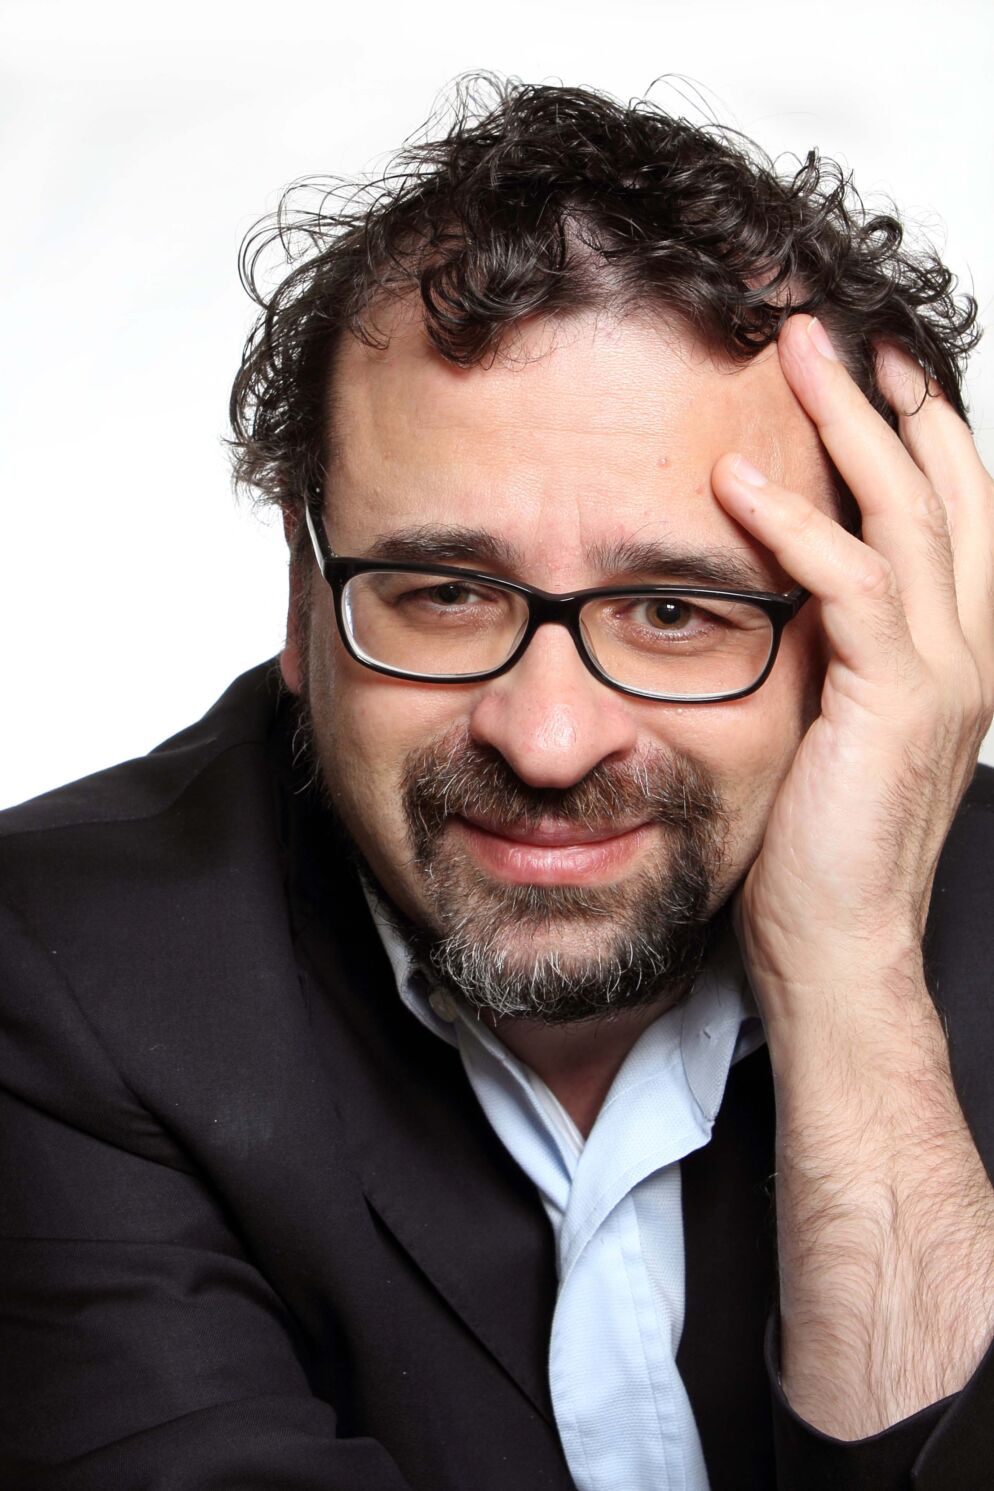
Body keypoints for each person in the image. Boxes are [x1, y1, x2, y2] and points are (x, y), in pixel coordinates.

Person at [2, 76, 993, 1491]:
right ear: (304, 597)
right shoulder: (54, 973)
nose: (548, 739)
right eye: (446, 594)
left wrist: (850, 982)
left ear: (869, 620)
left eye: (675, 611)